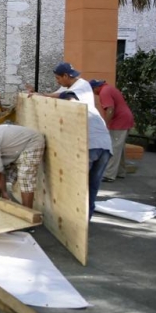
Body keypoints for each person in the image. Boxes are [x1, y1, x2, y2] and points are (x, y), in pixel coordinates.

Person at [28, 62, 112, 218]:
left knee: (78, 187)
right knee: (92, 186)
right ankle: (85, 221)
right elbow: (56, 95)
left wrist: (44, 96)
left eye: (58, 78)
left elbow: (68, 98)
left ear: (66, 76)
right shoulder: (68, 87)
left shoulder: (82, 85)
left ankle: (76, 222)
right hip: (104, 145)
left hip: (90, 143)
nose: (57, 81)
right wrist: (38, 95)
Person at [58, 90, 113, 218]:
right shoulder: (91, 108)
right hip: (106, 147)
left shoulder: (70, 109)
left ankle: (76, 219)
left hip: (90, 147)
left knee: (79, 184)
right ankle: (87, 217)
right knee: (93, 183)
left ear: (65, 101)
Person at [90, 79, 135, 182]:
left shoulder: (104, 92)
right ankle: (120, 172)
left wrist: (104, 125)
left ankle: (109, 175)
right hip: (125, 119)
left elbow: (110, 109)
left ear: (96, 88)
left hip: (119, 121)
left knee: (113, 147)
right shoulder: (109, 88)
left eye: (93, 90)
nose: (94, 93)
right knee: (119, 147)